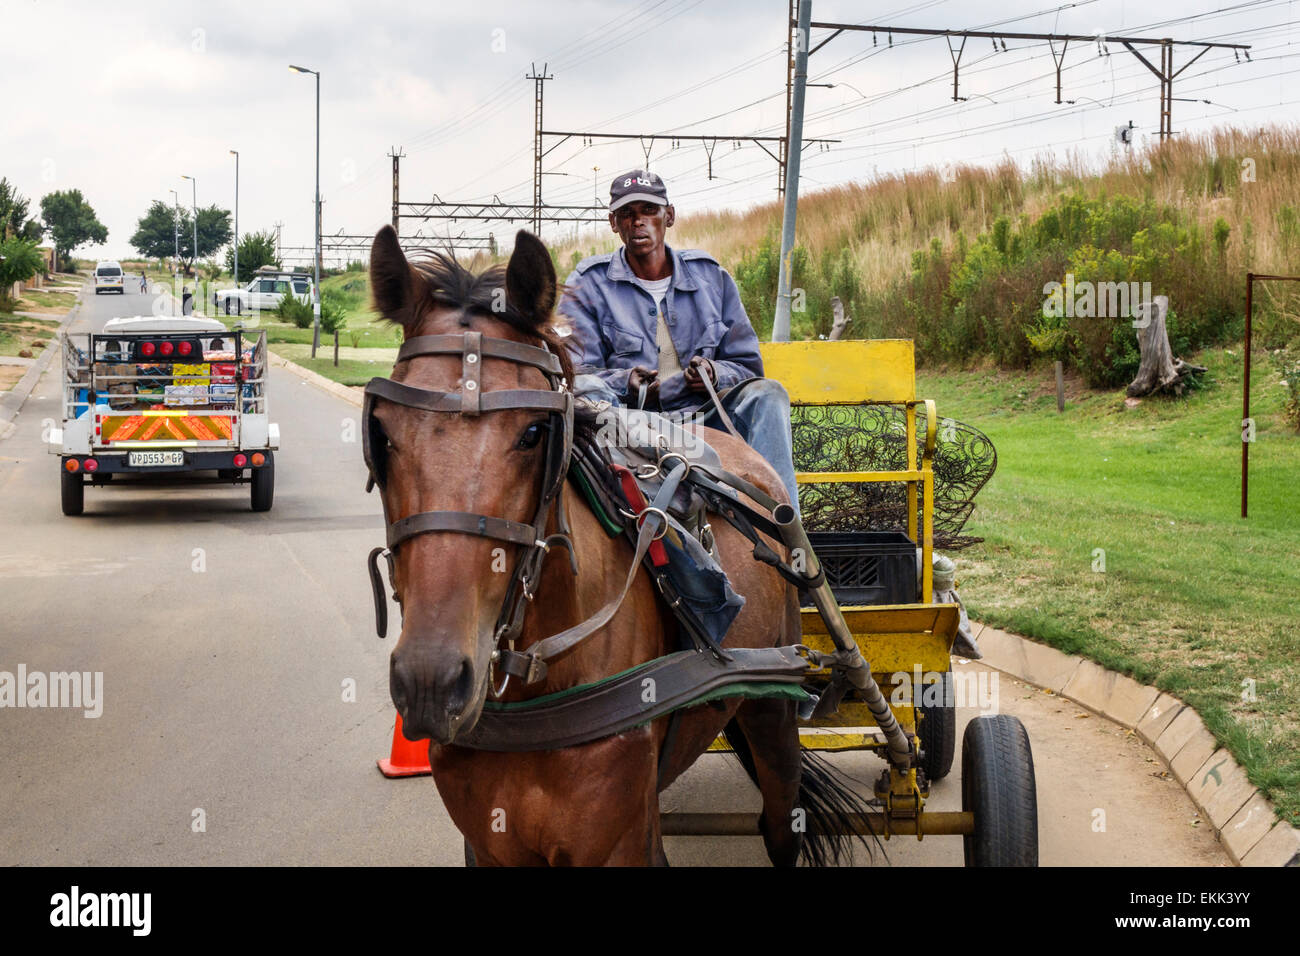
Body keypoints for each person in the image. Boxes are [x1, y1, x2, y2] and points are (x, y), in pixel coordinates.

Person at [559, 168, 799, 515]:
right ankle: (607, 513)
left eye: (649, 211)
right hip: (630, 425)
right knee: (585, 391)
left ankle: (787, 528)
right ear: (614, 223)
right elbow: (576, 373)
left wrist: (714, 374)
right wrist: (624, 382)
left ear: (668, 216)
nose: (638, 222)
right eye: (627, 213)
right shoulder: (588, 284)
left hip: (706, 418)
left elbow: (747, 367)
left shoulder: (711, 277)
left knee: (769, 394)